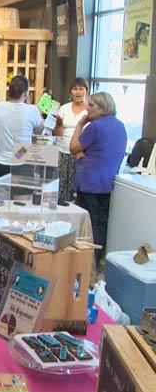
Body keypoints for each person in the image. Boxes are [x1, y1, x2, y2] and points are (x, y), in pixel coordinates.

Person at [70, 92, 127, 264]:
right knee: (100, 222)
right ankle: (97, 260)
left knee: (88, 225)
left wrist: (80, 124)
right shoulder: (120, 125)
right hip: (107, 182)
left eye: (92, 105)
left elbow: (73, 147)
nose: (87, 108)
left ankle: (88, 264)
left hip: (90, 181)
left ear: (102, 107)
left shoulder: (95, 127)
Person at [0, 75, 44, 186]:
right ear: (26, 94)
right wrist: (29, 105)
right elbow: (39, 131)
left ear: (9, 91)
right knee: (21, 201)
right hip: (22, 162)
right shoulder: (32, 110)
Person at [53, 77, 89, 203]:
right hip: (62, 152)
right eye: (75, 89)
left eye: (81, 89)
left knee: (75, 187)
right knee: (60, 185)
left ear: (86, 91)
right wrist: (59, 124)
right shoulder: (64, 108)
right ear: (71, 92)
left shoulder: (89, 110)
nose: (78, 92)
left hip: (80, 153)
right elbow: (57, 135)